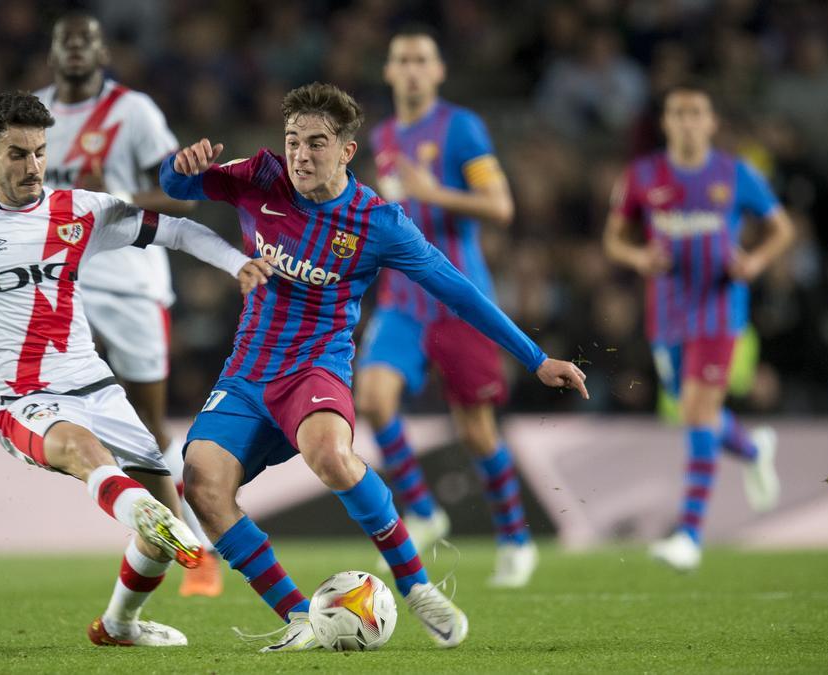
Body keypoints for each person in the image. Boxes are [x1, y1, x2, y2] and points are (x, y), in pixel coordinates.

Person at [160, 82, 589, 652]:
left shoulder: (377, 223)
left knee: (332, 456)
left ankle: (416, 588)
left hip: (315, 370)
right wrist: (177, 165)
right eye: (293, 141)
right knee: (203, 488)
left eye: (317, 142)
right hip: (245, 376)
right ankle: (300, 618)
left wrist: (535, 358)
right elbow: (177, 186)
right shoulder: (257, 179)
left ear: (347, 151)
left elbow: (458, 292)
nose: (301, 155)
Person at [0, 91, 272, 647]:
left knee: (163, 526)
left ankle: (118, 624)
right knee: (82, 452)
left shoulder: (80, 210)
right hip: (19, 399)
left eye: (40, 152)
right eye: (18, 154)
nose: (32, 166)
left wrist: (237, 263)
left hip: (94, 385)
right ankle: (138, 509)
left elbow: (177, 231)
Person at [35, 11, 222, 597]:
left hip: (132, 280)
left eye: (84, 40)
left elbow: (183, 192)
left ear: (102, 52)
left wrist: (105, 198)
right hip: (62, 281)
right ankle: (164, 533)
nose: (73, 49)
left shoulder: (132, 112)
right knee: (56, 404)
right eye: (65, 40)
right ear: (51, 52)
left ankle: (199, 546)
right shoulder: (33, 115)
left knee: (147, 425)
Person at [356, 26, 538, 587]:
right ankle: (423, 510)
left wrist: (436, 194)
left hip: (459, 298)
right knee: (374, 398)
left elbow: (501, 205)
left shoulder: (461, 128)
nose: (411, 69)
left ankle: (516, 538)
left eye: (421, 60)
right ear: (388, 72)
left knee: (476, 429)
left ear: (438, 72)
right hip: (401, 302)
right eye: (401, 59)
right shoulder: (383, 136)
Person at [604, 83, 792, 572]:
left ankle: (688, 534)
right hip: (666, 313)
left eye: (696, 113)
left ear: (711, 123)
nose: (687, 121)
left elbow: (782, 228)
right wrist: (639, 256)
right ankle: (753, 448)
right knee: (693, 410)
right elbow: (613, 239)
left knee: (696, 408)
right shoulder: (643, 176)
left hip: (719, 309)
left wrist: (754, 262)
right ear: (666, 123)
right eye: (678, 113)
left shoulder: (735, 174)